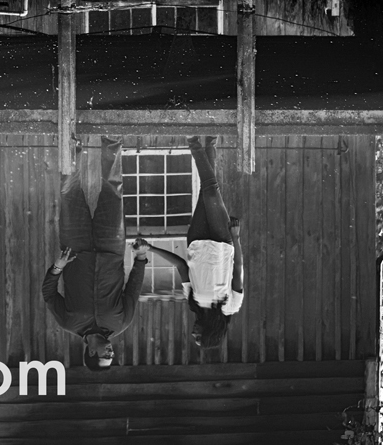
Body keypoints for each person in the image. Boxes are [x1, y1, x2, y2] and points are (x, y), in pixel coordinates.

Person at [42, 137, 149, 367]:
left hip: (75, 249)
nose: (111, 353)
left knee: (68, 192)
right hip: (111, 247)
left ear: (91, 352)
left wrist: (58, 267)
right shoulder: (121, 323)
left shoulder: (69, 323)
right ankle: (111, 139)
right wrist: (140, 258)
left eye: (105, 356)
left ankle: (72, 144)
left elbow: (49, 295)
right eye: (112, 357)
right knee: (113, 190)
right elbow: (133, 290)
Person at [136, 136, 244, 349]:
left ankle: (209, 142)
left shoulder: (193, 303)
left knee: (207, 191)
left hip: (197, 240)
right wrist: (236, 237)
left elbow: (181, 265)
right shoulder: (231, 306)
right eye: (198, 338)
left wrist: (151, 248)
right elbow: (238, 270)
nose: (193, 334)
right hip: (223, 241)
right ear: (211, 333)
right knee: (211, 191)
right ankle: (193, 140)